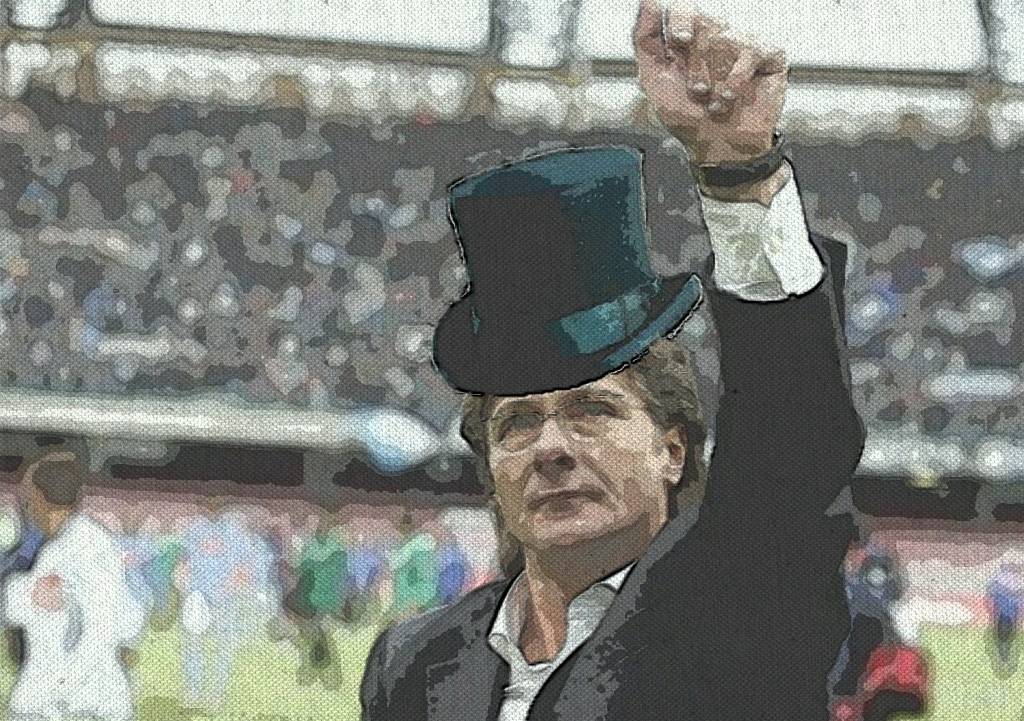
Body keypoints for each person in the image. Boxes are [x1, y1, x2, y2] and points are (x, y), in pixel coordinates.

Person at [359, 2, 865, 719]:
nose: (552, 448)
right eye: (516, 424)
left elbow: (793, 438)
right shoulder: (414, 662)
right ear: (492, 470)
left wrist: (740, 176)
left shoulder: (742, 612)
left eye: (592, 409)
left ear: (672, 449)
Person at [1, 444, 147, 721]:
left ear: (39, 499)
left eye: (28, 498)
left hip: (85, 703)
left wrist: (63, 688)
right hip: (56, 699)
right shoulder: (58, 548)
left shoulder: (87, 546)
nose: (26, 508)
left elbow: (108, 625)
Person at [987, 564, 1022, 672]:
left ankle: (1004, 651)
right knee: (1005, 635)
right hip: (1006, 614)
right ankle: (1004, 652)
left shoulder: (1000, 581)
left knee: (1005, 635)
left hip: (1007, 614)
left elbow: (991, 594)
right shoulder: (1001, 581)